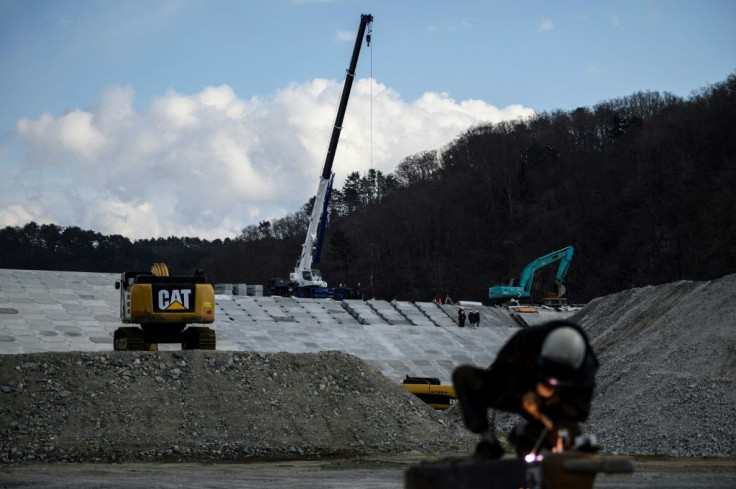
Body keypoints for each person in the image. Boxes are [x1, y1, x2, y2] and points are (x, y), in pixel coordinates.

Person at [452, 320, 598, 459]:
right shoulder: (527, 341)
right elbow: (498, 372)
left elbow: (580, 412)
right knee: (464, 376)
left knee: (566, 431)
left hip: (550, 408)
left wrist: (552, 405)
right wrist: (523, 391)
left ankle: (530, 441)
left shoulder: (585, 369)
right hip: (517, 393)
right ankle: (488, 441)